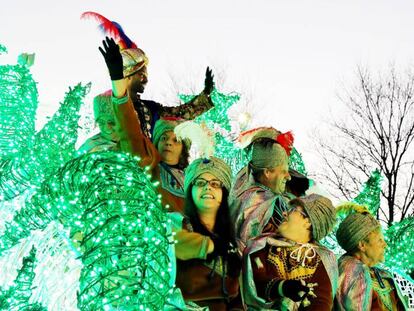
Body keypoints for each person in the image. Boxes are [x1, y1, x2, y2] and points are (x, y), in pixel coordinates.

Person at [83, 11, 215, 139]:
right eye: (141, 74)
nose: (146, 79)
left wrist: (206, 93)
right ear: (127, 76)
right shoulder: (108, 106)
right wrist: (116, 74)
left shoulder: (151, 108)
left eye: (146, 74)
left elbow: (179, 114)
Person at [245, 194, 338, 310]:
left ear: (308, 221)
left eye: (292, 210)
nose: (284, 213)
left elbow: (320, 304)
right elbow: (255, 280)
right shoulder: (263, 245)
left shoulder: (320, 262)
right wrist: (282, 287)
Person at [174, 157, 242, 310]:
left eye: (215, 184)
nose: (207, 188)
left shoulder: (232, 244)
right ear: (190, 190)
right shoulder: (176, 225)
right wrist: (210, 246)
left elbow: (236, 301)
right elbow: (171, 244)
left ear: (223, 193)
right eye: (200, 183)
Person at [229, 127, 294, 254]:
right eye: (284, 171)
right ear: (268, 172)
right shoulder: (262, 200)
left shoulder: (246, 195)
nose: (289, 177)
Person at [335, 207, 409, 310]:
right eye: (379, 240)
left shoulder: (380, 274)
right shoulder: (352, 272)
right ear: (362, 245)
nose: (385, 245)